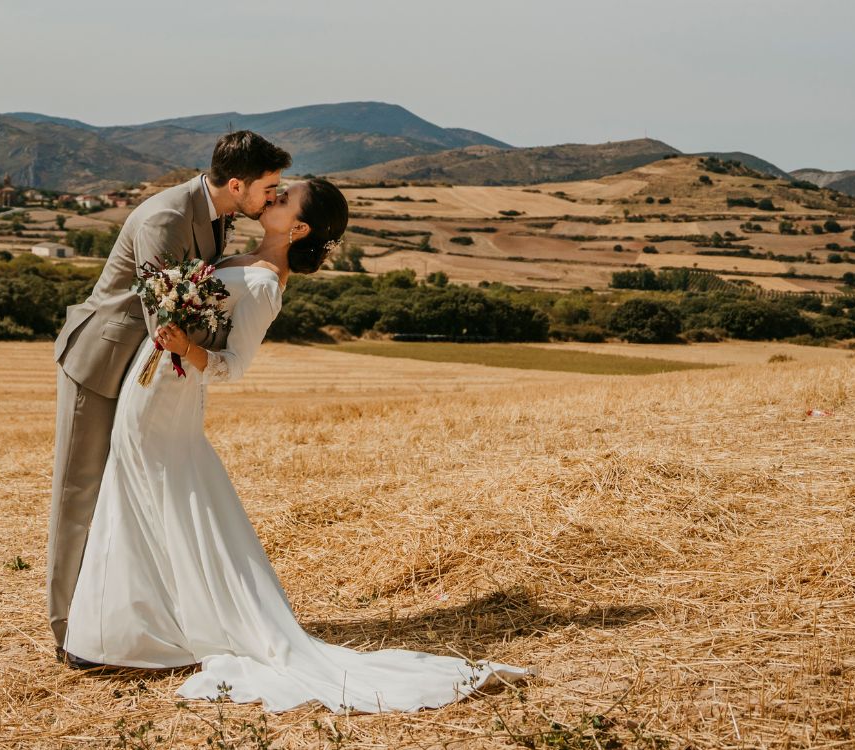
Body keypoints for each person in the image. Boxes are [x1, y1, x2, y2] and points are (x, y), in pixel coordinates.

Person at [62, 178, 529, 713]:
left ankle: (129, 638)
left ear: (300, 228)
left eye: (284, 199)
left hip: (169, 393)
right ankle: (139, 630)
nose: (273, 197)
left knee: (150, 498)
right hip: (149, 383)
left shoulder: (264, 285)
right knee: (143, 500)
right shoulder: (240, 252)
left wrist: (184, 345)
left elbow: (233, 367)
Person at [48, 131, 291, 657]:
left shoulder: (223, 213)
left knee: (128, 493)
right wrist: (223, 355)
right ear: (236, 184)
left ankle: (128, 618)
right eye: (269, 187)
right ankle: (69, 630)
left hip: (151, 369)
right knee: (80, 493)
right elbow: (168, 315)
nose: (273, 196)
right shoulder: (168, 217)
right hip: (104, 360)